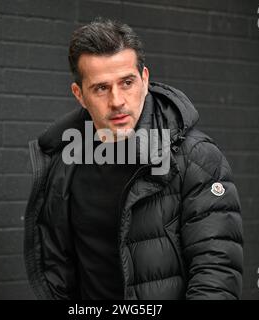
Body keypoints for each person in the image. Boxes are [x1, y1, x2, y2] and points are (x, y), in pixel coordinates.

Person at [24, 18, 243, 300]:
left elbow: (216, 275)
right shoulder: (62, 160)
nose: (117, 101)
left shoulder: (196, 158)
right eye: (101, 88)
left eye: (127, 82)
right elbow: (58, 270)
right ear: (79, 94)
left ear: (145, 79)